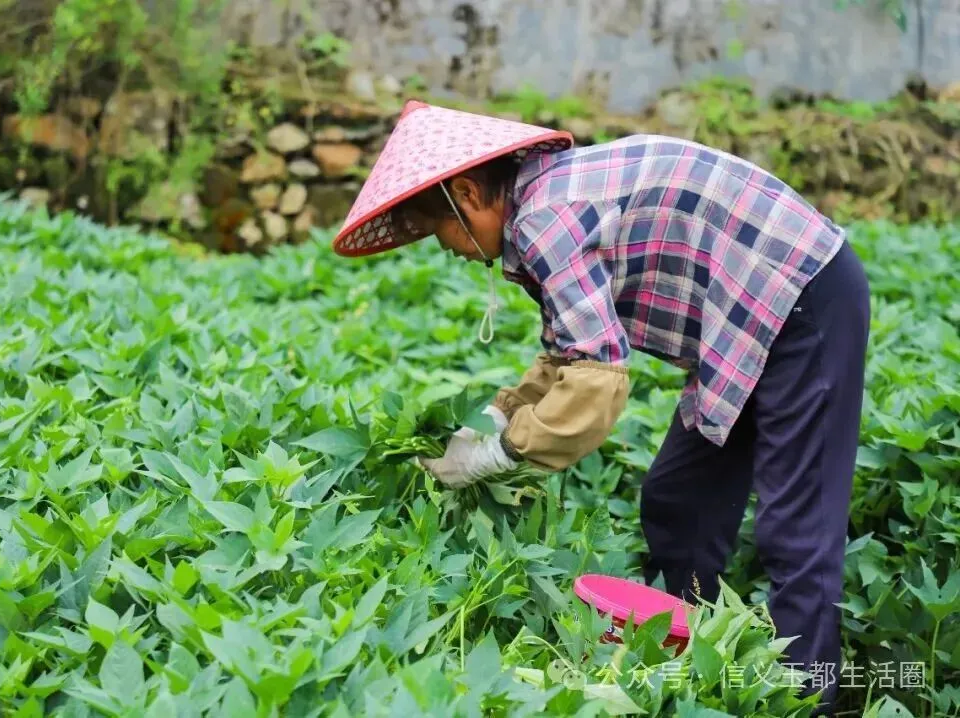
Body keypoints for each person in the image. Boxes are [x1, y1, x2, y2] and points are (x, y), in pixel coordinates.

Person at [331, 99, 870, 712]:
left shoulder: (545, 217)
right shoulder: (539, 207)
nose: (448, 249)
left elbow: (595, 384)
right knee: (680, 500)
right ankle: (693, 660)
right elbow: (569, 351)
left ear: (468, 192)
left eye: (440, 230)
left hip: (799, 293)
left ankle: (812, 700)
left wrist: (498, 455)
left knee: (795, 528)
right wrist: (499, 417)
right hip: (743, 314)